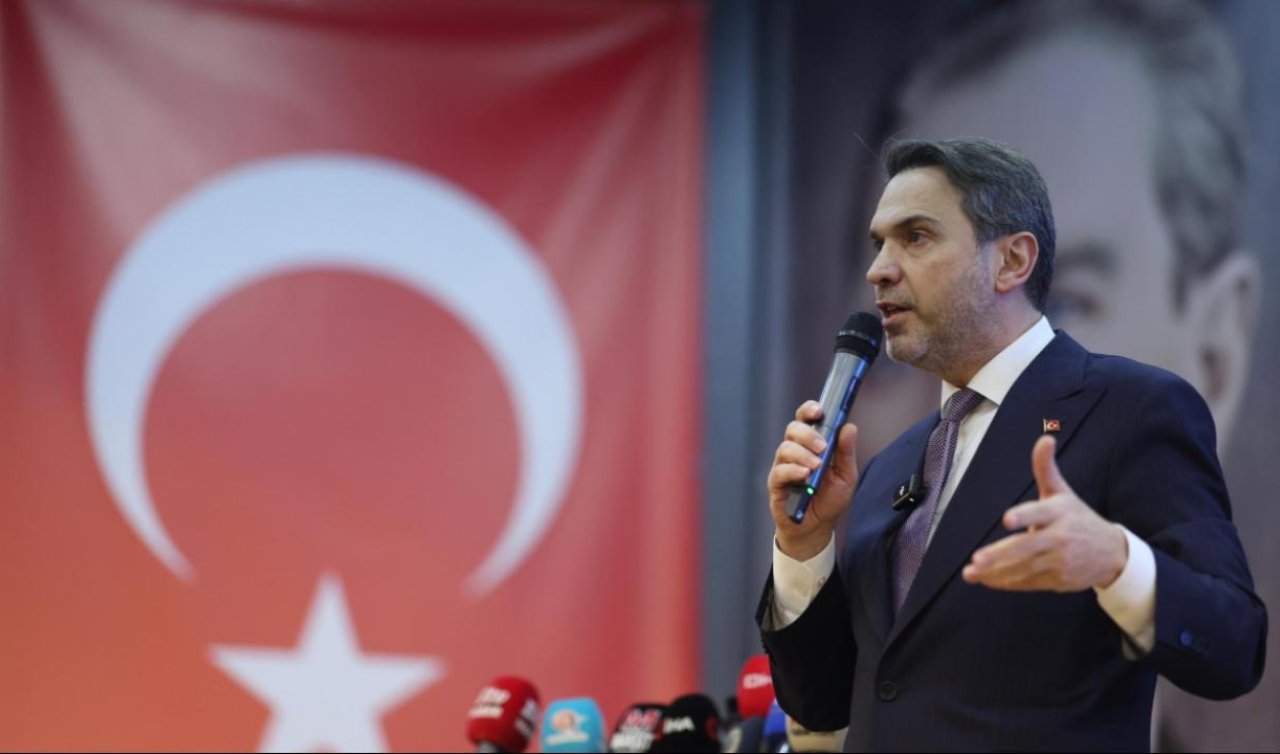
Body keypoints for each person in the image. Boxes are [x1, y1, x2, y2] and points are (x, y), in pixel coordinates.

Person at [758, 137, 1266, 751]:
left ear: (1012, 261)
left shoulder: (1131, 410)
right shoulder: (889, 466)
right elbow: (822, 702)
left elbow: (1234, 646)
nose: (879, 270)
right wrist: (804, 547)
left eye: (915, 237)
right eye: (878, 243)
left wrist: (1117, 562)